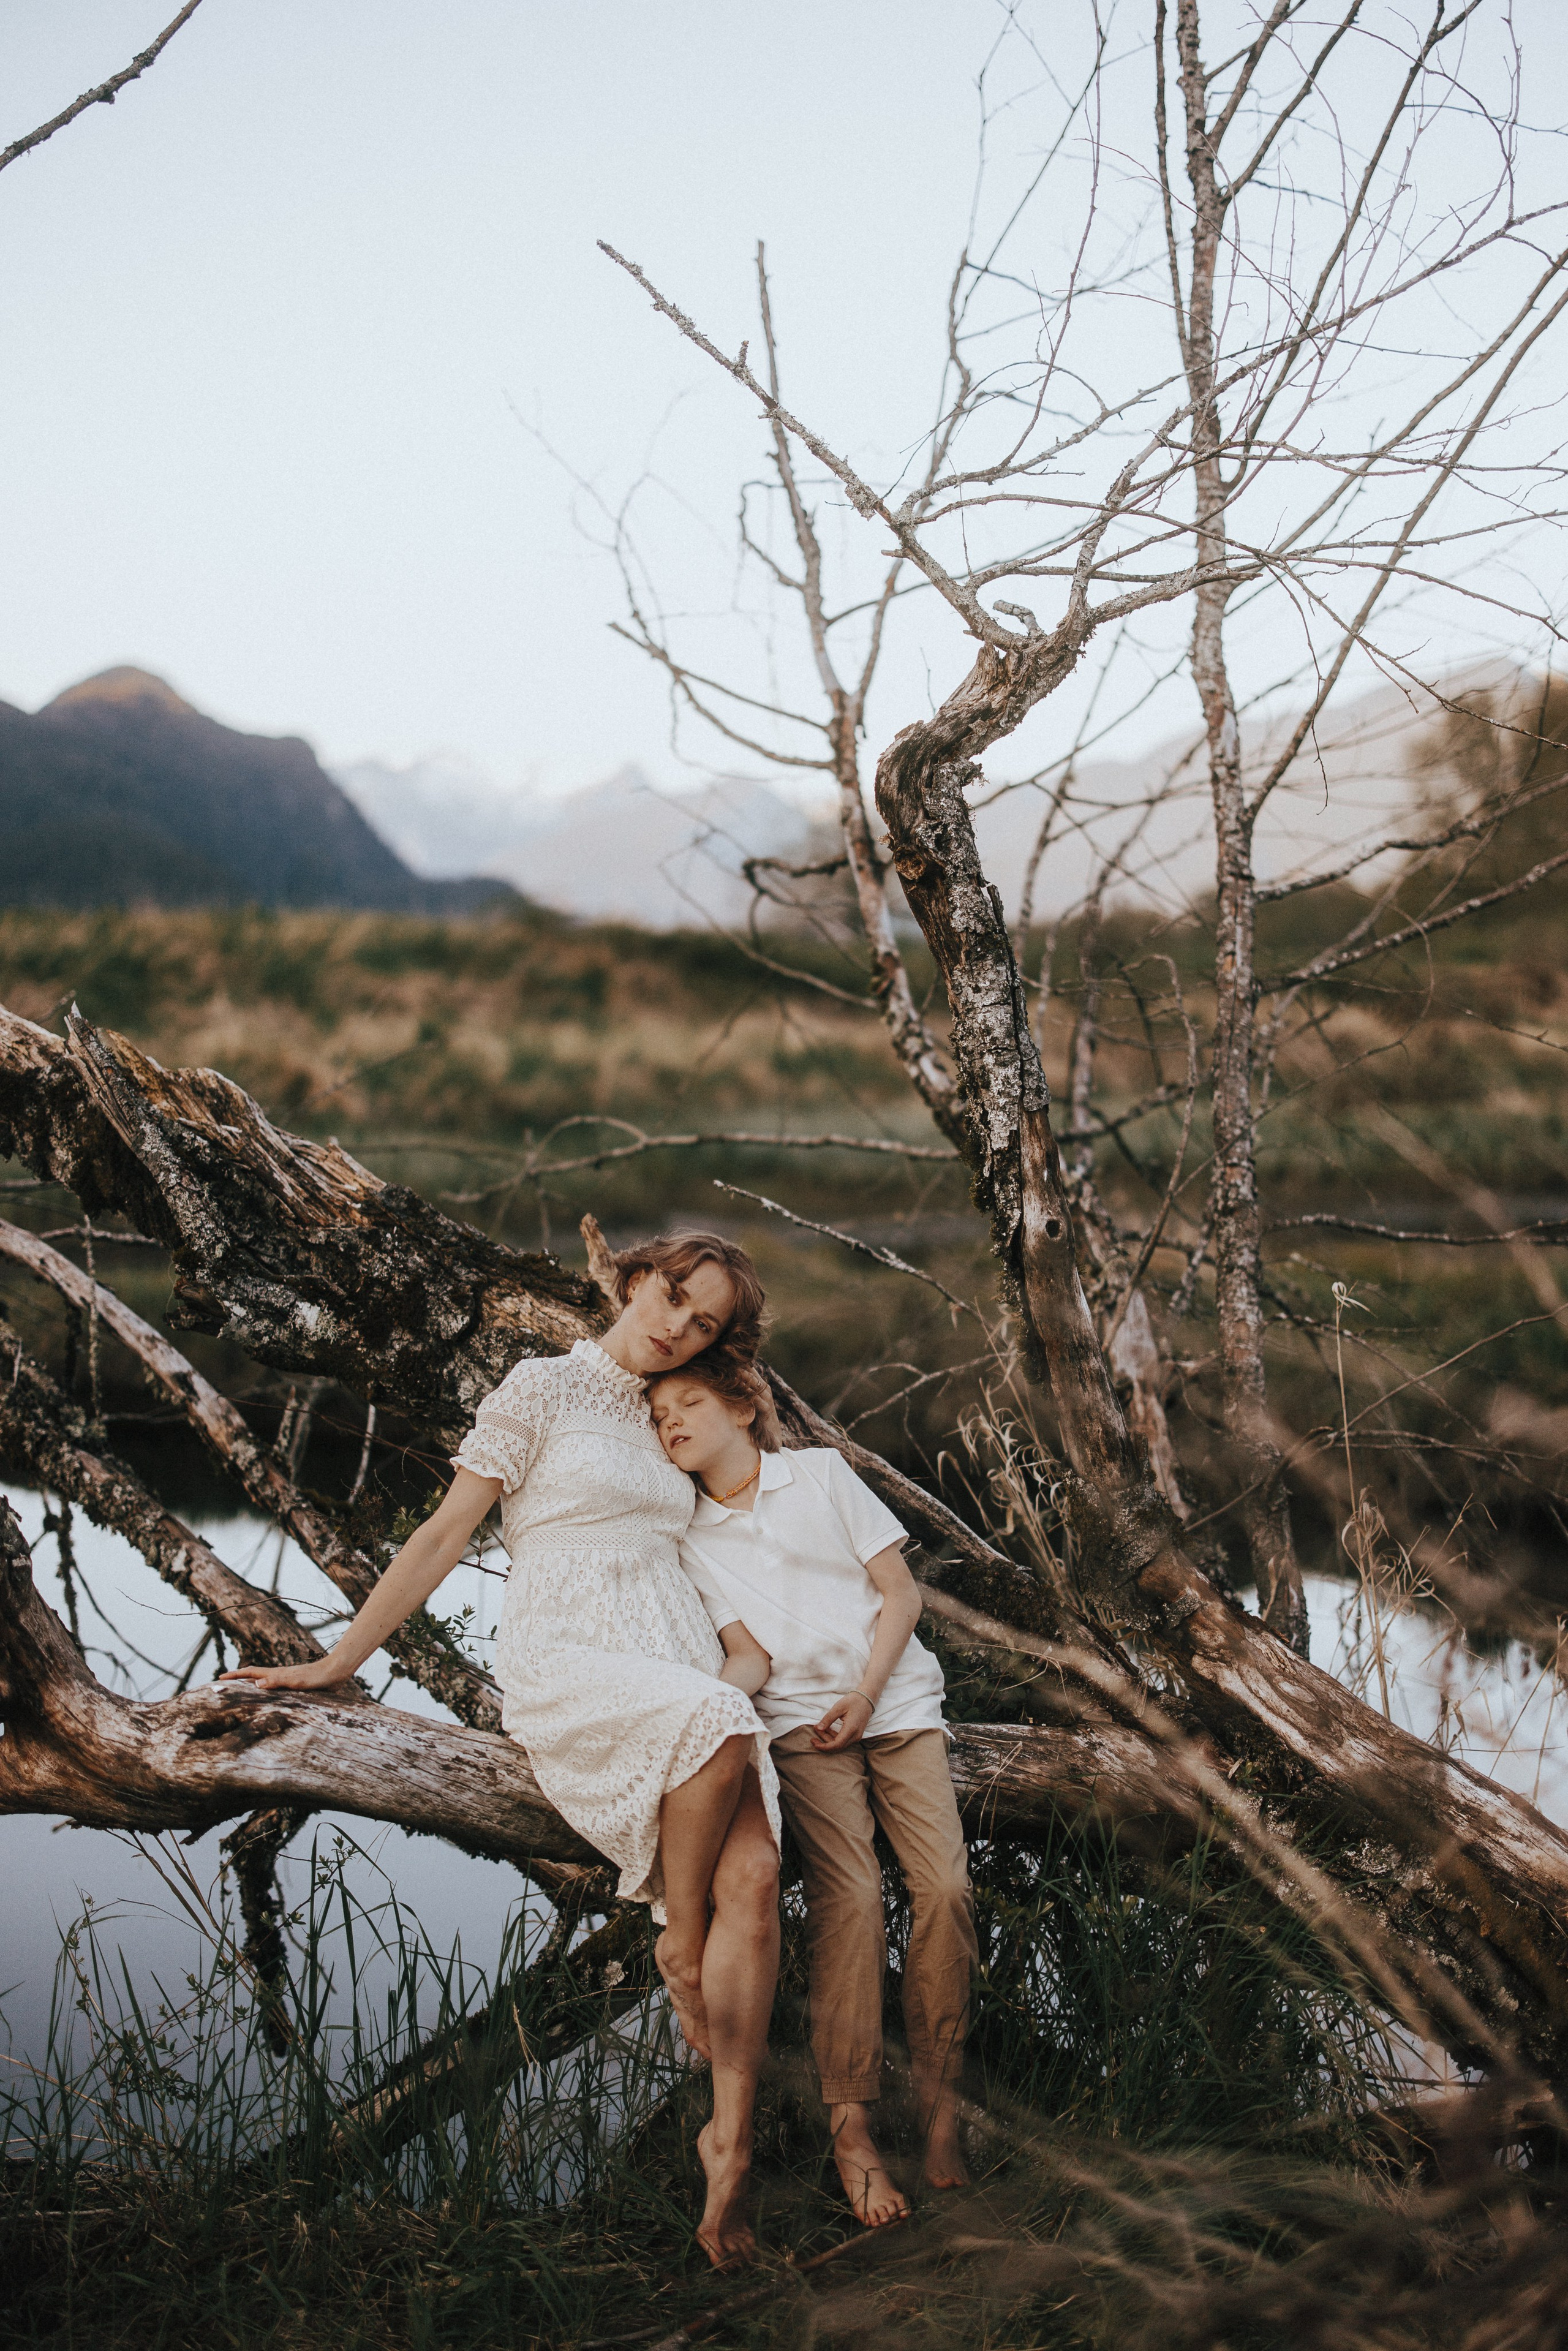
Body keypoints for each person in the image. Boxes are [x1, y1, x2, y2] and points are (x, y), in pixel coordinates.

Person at [222, 1231, 782, 2270]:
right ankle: (676, 1933)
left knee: (755, 1874)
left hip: (681, 1651)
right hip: (576, 1652)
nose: (677, 1325)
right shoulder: (540, 1388)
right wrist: (340, 1660)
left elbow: (731, 1538)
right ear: (633, 1279)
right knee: (716, 1749)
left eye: (703, 1321)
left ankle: (730, 2149)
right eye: (671, 1295)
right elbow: (445, 1533)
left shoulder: (678, 1409)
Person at [648, 1356, 978, 2229]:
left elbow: (900, 1595)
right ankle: (852, 2130)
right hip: (798, 1724)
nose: (671, 1420)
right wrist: (705, 1709)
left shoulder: (823, 1475)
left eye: (688, 1402)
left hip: (895, 1701)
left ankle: (940, 2107)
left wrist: (866, 1693)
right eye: (658, 1413)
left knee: (944, 1887)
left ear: (742, 1407)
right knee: (853, 1896)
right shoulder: (689, 1535)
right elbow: (749, 1655)